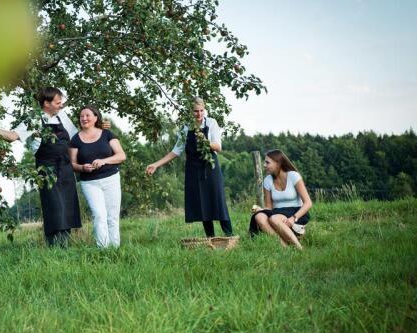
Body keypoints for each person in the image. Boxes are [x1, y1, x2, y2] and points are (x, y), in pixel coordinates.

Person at [0, 87, 81, 247]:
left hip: (65, 168)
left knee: (67, 207)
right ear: (46, 103)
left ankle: (66, 247)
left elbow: (76, 137)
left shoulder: (62, 116)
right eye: (57, 102)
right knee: (54, 207)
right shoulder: (34, 119)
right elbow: (12, 136)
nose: (61, 105)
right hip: (47, 170)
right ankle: (55, 247)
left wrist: (99, 127)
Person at [145, 97, 233, 238]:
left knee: (218, 200)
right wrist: (156, 164)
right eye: (195, 111)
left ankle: (230, 236)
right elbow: (176, 151)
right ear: (190, 111)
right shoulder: (186, 127)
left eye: (201, 111)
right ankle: (210, 239)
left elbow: (218, 146)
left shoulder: (211, 123)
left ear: (205, 109)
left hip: (210, 167)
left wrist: (205, 141)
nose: (199, 114)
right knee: (202, 203)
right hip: (193, 169)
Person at [69, 106, 126, 248]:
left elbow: (121, 155)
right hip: (90, 183)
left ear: (96, 118)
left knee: (112, 217)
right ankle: (103, 250)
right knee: (99, 215)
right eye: (81, 116)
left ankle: (115, 249)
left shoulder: (107, 134)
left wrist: (104, 161)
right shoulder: (75, 139)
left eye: (88, 115)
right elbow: (72, 164)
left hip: (111, 179)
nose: (84, 118)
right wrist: (82, 167)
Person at [249, 149, 313, 250]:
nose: (264, 165)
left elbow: (308, 203)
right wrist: (261, 210)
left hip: (296, 212)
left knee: (273, 218)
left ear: (278, 163)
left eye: (267, 162)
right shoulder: (267, 180)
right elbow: (269, 207)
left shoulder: (293, 176)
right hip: (278, 212)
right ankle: (285, 248)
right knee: (259, 217)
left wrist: (293, 218)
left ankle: (300, 249)